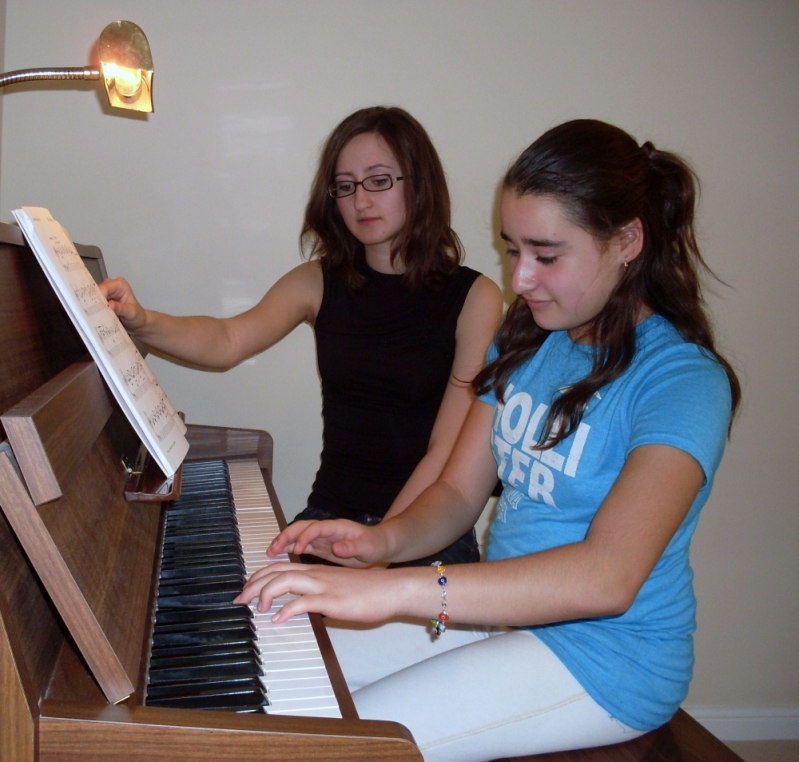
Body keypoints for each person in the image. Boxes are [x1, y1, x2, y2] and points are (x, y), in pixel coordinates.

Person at [235, 119, 742, 761]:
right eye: (511, 250)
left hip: (608, 660)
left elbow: (607, 576)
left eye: (546, 254)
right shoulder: (527, 339)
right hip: (498, 620)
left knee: (333, 747)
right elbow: (455, 490)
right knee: (276, 669)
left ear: (627, 242)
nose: (520, 279)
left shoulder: (682, 382)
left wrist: (392, 590)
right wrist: (377, 543)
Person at [100, 106, 503, 566]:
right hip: (329, 520)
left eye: (379, 180)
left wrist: (380, 549)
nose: (361, 201)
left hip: (428, 532)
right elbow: (228, 340)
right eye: (346, 186)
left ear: (420, 183)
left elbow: (446, 453)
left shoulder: (476, 298)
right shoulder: (318, 281)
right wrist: (141, 320)